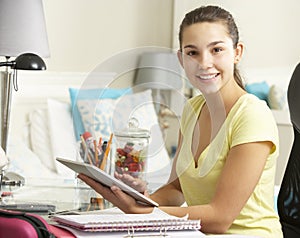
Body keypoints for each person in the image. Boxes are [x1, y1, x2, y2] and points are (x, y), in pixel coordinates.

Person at [78, 5, 283, 237]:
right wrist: (141, 199)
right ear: (181, 58)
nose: (204, 63)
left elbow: (219, 219)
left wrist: (141, 212)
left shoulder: (251, 115)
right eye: (192, 52)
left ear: (237, 53)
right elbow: (176, 189)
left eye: (216, 50)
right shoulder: (192, 110)